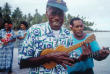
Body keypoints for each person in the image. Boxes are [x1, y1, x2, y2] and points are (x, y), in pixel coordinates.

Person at [19, 0, 92, 74]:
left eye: (60, 14)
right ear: (47, 13)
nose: (57, 17)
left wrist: (80, 58)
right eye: (53, 13)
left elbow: (69, 60)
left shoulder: (67, 33)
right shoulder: (34, 31)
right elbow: (22, 63)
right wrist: (48, 57)